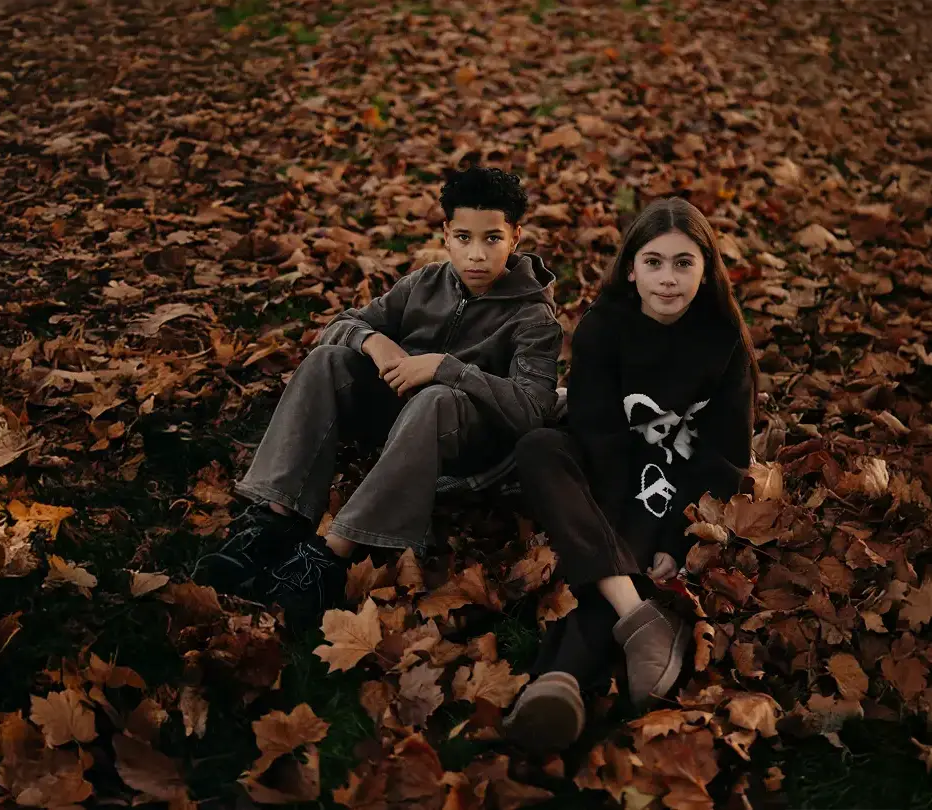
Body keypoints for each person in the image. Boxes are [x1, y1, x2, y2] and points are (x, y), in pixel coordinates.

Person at [192, 166, 564, 622]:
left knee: (435, 398)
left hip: (469, 443)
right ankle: (276, 518)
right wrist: (373, 341)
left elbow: (532, 408)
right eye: (463, 237)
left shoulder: (533, 317)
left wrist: (448, 369)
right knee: (327, 360)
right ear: (446, 234)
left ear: (515, 237)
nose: (476, 254)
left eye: (492, 239)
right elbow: (339, 325)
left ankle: (331, 557)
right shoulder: (424, 283)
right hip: (398, 423)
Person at [502, 197, 758, 752]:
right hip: (604, 471)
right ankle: (640, 615)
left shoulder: (725, 339)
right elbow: (596, 434)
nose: (668, 278)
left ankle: (558, 680)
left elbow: (726, 457)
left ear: (707, 270)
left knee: (632, 523)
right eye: (654, 262)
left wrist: (672, 536)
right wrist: (619, 528)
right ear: (631, 269)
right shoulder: (604, 327)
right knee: (540, 447)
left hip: (677, 481)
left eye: (684, 263)